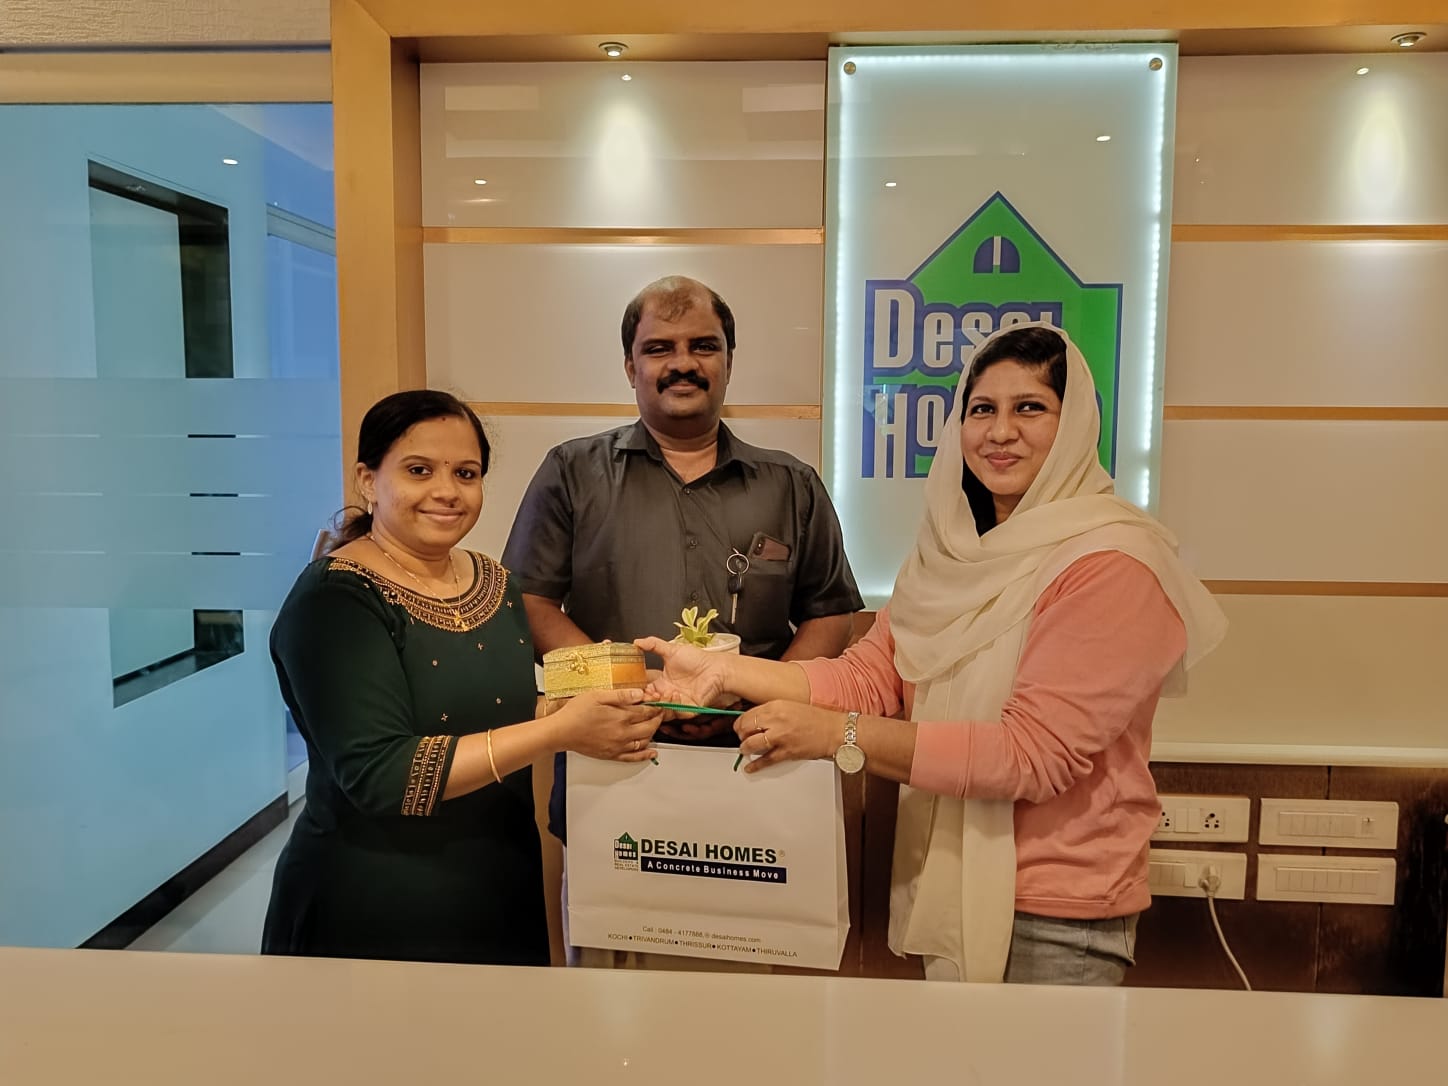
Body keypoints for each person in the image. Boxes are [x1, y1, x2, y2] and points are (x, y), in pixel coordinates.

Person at [641, 323, 1227, 986]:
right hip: (946, 884)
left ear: (1074, 425)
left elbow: (1031, 755)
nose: (1000, 431)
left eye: (1029, 407)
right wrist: (723, 670)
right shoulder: (950, 555)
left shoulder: (1113, 563)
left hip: (1059, 918)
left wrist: (838, 736)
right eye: (982, 409)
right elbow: (871, 678)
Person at [502, 275, 864, 967]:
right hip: (615, 764)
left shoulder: (790, 484)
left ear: (729, 360)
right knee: (613, 1003)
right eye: (659, 348)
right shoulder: (572, 473)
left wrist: (755, 697)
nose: (683, 363)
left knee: (753, 997)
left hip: (757, 770)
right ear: (630, 365)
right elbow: (531, 602)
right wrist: (627, 689)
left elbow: (830, 613)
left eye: (704, 345)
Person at [262, 390, 661, 966]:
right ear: (369, 480)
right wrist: (559, 731)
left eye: (466, 473)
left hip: (500, 884)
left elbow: (492, 713)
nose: (447, 491)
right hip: (374, 904)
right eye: (419, 470)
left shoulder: (494, 583)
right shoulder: (335, 600)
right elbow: (382, 775)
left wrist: (574, 712)